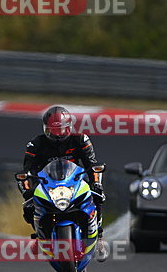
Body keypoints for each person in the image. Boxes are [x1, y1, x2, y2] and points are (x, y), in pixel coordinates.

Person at [18, 105, 108, 262]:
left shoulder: (81, 139)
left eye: (62, 130)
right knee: (29, 206)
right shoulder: (35, 144)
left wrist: (96, 183)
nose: (58, 135)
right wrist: (28, 189)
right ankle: (40, 237)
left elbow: (92, 165)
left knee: (97, 196)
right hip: (47, 184)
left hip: (75, 181)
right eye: (53, 130)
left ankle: (99, 237)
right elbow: (27, 170)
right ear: (46, 129)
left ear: (70, 127)